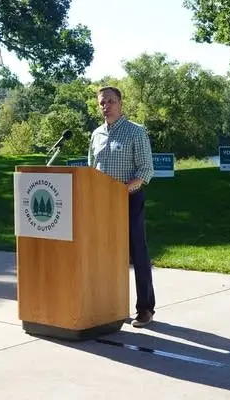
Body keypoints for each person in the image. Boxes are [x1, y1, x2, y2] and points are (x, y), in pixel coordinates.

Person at [88, 86, 156, 328]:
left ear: (120, 103)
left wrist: (123, 190)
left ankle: (145, 308)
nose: (106, 106)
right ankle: (110, 307)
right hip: (100, 205)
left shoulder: (135, 132)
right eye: (102, 103)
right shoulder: (96, 134)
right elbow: (91, 170)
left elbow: (146, 169)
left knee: (138, 252)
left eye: (110, 101)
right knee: (103, 255)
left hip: (129, 199)